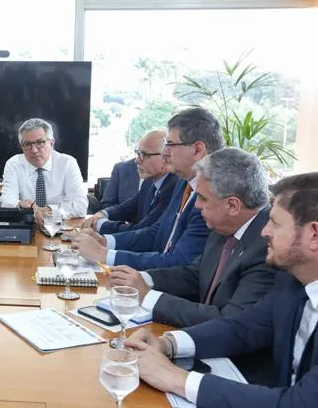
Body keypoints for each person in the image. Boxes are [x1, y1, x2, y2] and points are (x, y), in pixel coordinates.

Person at [125, 172, 318, 408]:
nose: (264, 231)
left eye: (275, 223)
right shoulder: (292, 281)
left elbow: (298, 402)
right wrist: (168, 344)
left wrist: (176, 379)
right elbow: (244, 327)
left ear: (314, 235)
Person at [109, 148, 277, 383]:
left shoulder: (267, 247)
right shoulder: (223, 226)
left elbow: (229, 321)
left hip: (239, 373)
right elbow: (196, 273)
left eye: (202, 198)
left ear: (233, 205)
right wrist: (142, 279)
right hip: (199, 348)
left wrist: (148, 297)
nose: (196, 205)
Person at [73, 107, 221, 270]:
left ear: (197, 150)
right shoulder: (184, 183)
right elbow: (155, 233)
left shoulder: (213, 197)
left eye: (170, 144)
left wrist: (104, 254)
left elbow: (179, 262)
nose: (164, 153)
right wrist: (105, 242)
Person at [82, 130, 177, 234]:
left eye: (144, 155)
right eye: (138, 153)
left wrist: (100, 224)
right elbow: (127, 208)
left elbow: (143, 230)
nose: (137, 160)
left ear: (165, 157)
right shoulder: (149, 182)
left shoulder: (173, 187)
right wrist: (103, 214)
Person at [0, 118, 87, 225]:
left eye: (40, 142)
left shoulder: (67, 163)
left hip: (61, 226)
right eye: (27, 144)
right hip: (28, 225)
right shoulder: (14, 164)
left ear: (51, 143)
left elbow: (81, 206)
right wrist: (25, 205)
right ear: (22, 146)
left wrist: (49, 210)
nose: (34, 150)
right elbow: (6, 202)